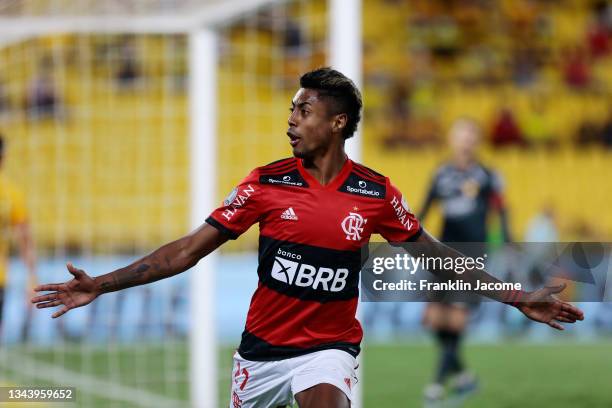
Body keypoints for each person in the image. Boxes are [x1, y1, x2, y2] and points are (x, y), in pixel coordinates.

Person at [31, 68, 583, 408]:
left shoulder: (374, 194)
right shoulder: (265, 183)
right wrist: (100, 284)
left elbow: (437, 257)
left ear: (338, 123)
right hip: (260, 354)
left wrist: (516, 295)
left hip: (328, 349)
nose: (291, 120)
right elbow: (185, 250)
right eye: (291, 109)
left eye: (304, 110)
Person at [418, 117, 513, 405]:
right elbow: (423, 210)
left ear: (477, 141)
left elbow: (502, 211)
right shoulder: (441, 174)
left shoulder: (488, 175)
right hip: (441, 255)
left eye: (471, 135)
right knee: (434, 320)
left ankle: (435, 384)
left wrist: (508, 243)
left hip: (472, 255)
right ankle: (464, 378)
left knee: (457, 320)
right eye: (461, 135)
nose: (466, 140)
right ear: (451, 139)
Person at [0, 134, 37, 338]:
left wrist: (32, 279)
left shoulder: (12, 193)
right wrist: (32, 278)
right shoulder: (11, 193)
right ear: (4, 156)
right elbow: (26, 242)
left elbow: (25, 240)